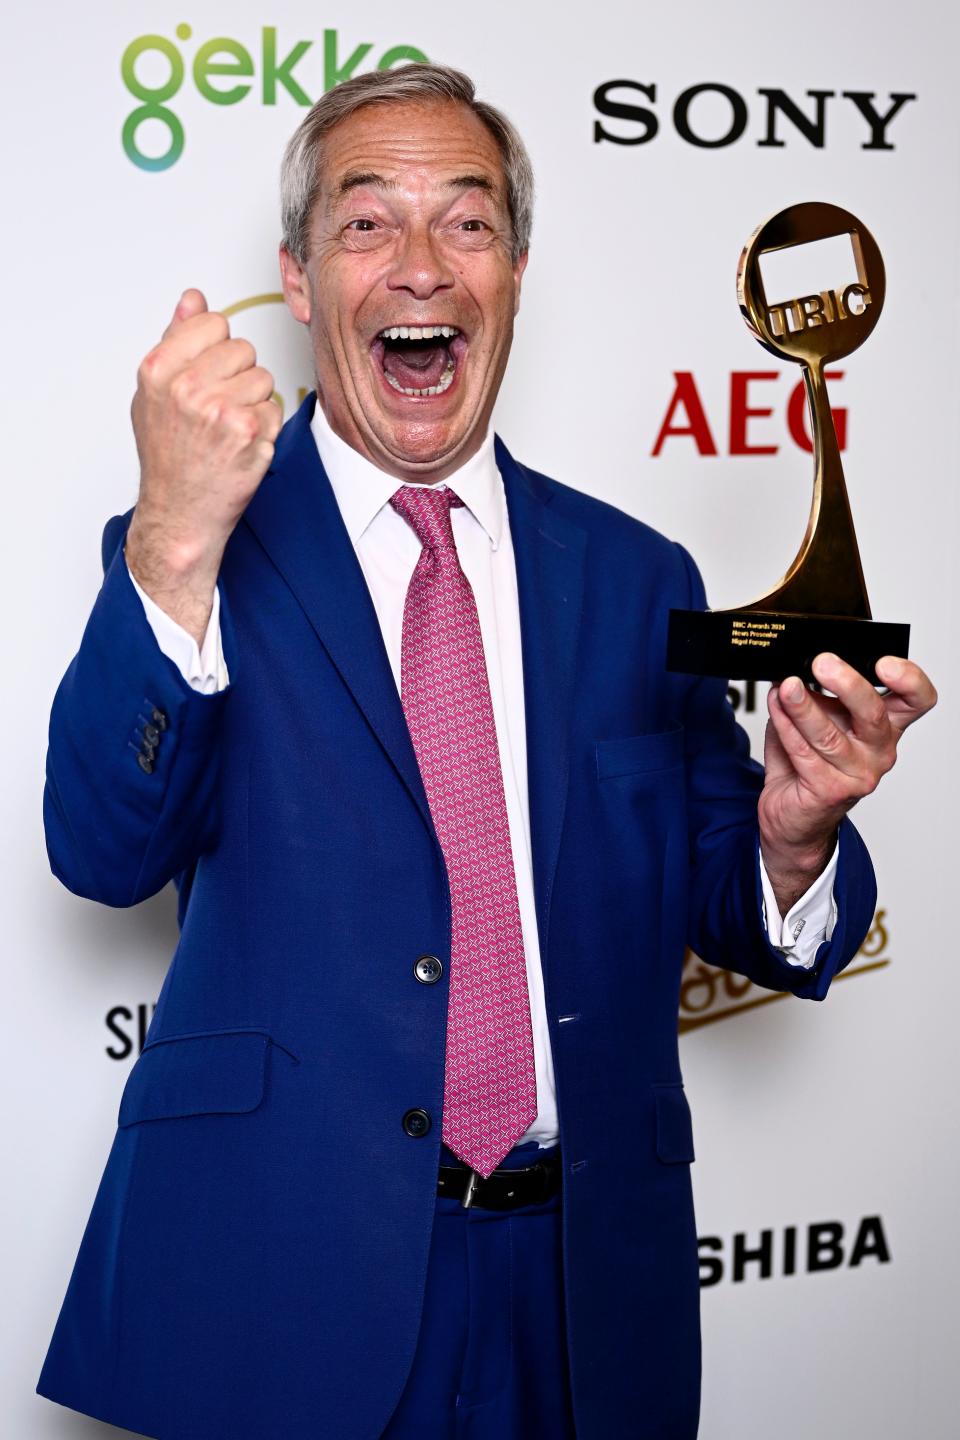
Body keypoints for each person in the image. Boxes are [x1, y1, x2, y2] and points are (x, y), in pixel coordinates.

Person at [35, 63, 935, 1440]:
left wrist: (794, 829)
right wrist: (170, 534)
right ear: (296, 273)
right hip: (285, 1284)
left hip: (579, 1297)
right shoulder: (200, 553)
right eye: (365, 223)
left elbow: (721, 887)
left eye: (465, 223)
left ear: (516, 267)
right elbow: (101, 854)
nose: (420, 267)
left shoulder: (640, 577)